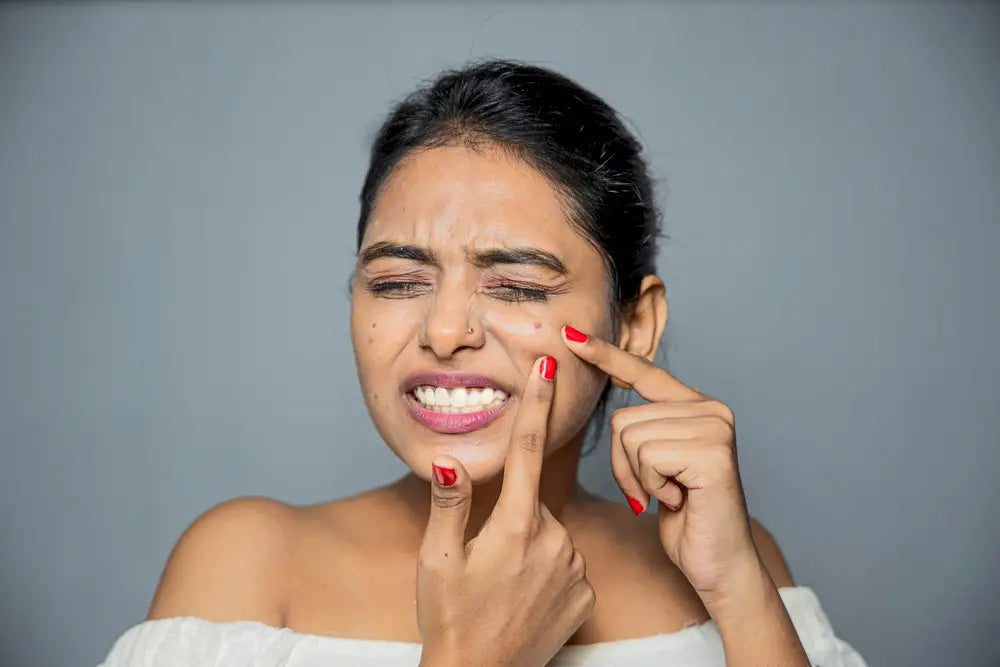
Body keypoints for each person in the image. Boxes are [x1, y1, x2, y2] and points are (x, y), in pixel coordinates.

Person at [100, 59, 865, 666]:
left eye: (517, 285)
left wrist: (740, 592)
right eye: (398, 281)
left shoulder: (733, 561)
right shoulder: (247, 566)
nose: (443, 328)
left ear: (635, 323)